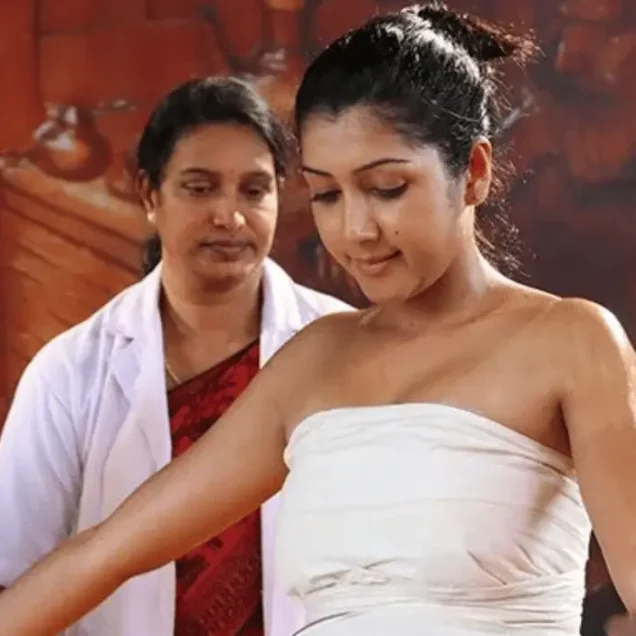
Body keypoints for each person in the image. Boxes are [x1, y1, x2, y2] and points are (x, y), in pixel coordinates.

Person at [0, 2, 635, 635]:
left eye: (386, 188)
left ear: (472, 173)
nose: (356, 230)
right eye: (327, 194)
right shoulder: (312, 359)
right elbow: (105, 553)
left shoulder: (572, 343)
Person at [0, 77, 351, 636]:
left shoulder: (342, 347)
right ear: (149, 194)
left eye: (254, 190)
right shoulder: (70, 372)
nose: (230, 216)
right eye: (200, 188)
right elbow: (13, 576)